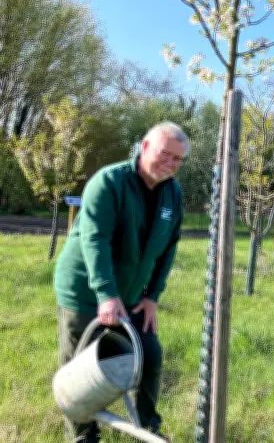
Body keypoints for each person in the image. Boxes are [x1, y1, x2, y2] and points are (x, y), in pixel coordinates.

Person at [54, 122, 188, 442]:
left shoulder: (173, 193)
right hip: (86, 291)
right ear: (144, 148)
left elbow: (169, 247)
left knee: (150, 356)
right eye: (164, 154)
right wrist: (106, 294)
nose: (170, 164)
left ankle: (147, 428)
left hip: (131, 295)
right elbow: (95, 241)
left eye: (177, 159)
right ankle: (83, 436)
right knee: (81, 370)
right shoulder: (110, 182)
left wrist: (152, 295)